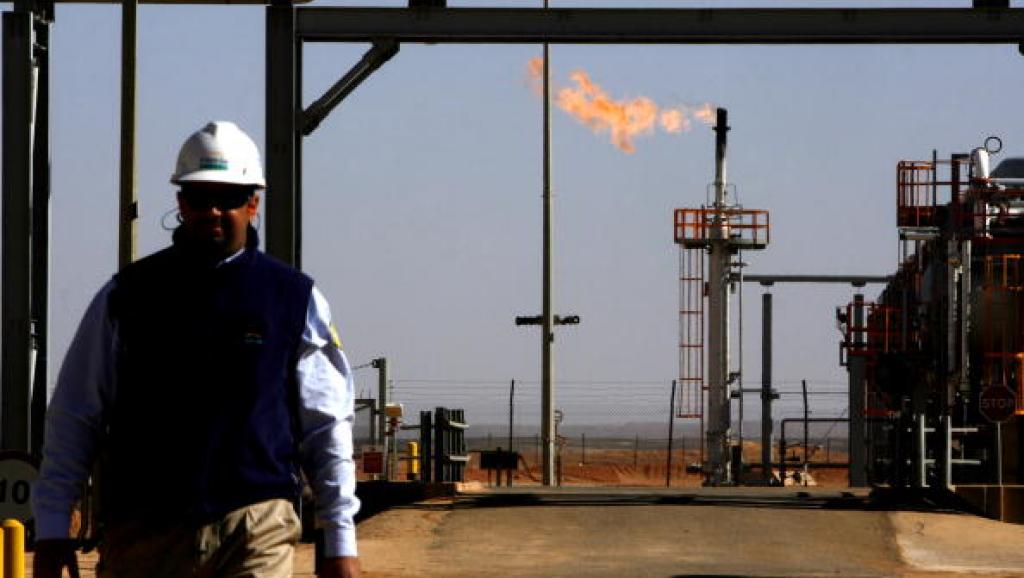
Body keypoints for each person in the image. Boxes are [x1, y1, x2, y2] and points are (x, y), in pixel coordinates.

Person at [31, 121, 362, 578]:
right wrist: (51, 527)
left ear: (253, 203)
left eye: (228, 198)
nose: (213, 211)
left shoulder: (293, 300)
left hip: (254, 528)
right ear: (181, 203)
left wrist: (338, 538)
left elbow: (326, 426)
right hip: (145, 535)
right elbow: (75, 415)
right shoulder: (127, 297)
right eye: (200, 197)